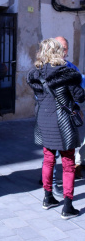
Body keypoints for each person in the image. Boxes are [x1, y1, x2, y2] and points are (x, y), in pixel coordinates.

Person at [27, 38, 85, 219]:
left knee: (48, 159)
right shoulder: (65, 73)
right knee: (68, 164)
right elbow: (80, 96)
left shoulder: (35, 74)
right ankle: (67, 207)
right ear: (58, 52)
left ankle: (47, 198)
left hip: (44, 121)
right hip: (63, 123)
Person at [55, 36, 85, 179]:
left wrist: (77, 108)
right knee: (50, 153)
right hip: (52, 116)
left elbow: (80, 89)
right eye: (59, 48)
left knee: (68, 150)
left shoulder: (73, 69)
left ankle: (73, 172)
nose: (62, 51)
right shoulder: (45, 69)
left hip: (68, 116)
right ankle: (49, 180)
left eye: (65, 48)